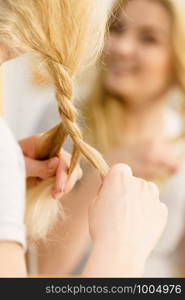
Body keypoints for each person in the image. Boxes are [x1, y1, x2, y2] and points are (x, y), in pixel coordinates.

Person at [0, 0, 167, 277]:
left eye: (149, 38)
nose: (122, 48)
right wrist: (122, 249)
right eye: (117, 29)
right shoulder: (60, 121)